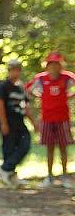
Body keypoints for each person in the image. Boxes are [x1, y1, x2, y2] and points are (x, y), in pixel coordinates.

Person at [27, 51, 75, 188]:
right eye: (51, 64)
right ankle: (49, 176)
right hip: (47, 118)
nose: (54, 67)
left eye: (57, 64)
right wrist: (39, 96)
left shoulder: (67, 78)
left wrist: (69, 96)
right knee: (49, 148)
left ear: (61, 65)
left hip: (63, 118)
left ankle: (65, 176)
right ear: (47, 65)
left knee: (63, 147)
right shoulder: (41, 79)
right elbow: (28, 88)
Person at [0, 59, 37, 187]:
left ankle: (6, 169)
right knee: (9, 148)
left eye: (18, 70)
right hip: (8, 122)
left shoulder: (20, 87)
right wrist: (3, 123)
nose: (16, 73)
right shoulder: (3, 86)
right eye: (13, 70)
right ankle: (9, 174)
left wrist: (33, 122)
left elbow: (26, 106)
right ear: (9, 71)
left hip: (20, 121)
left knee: (25, 144)